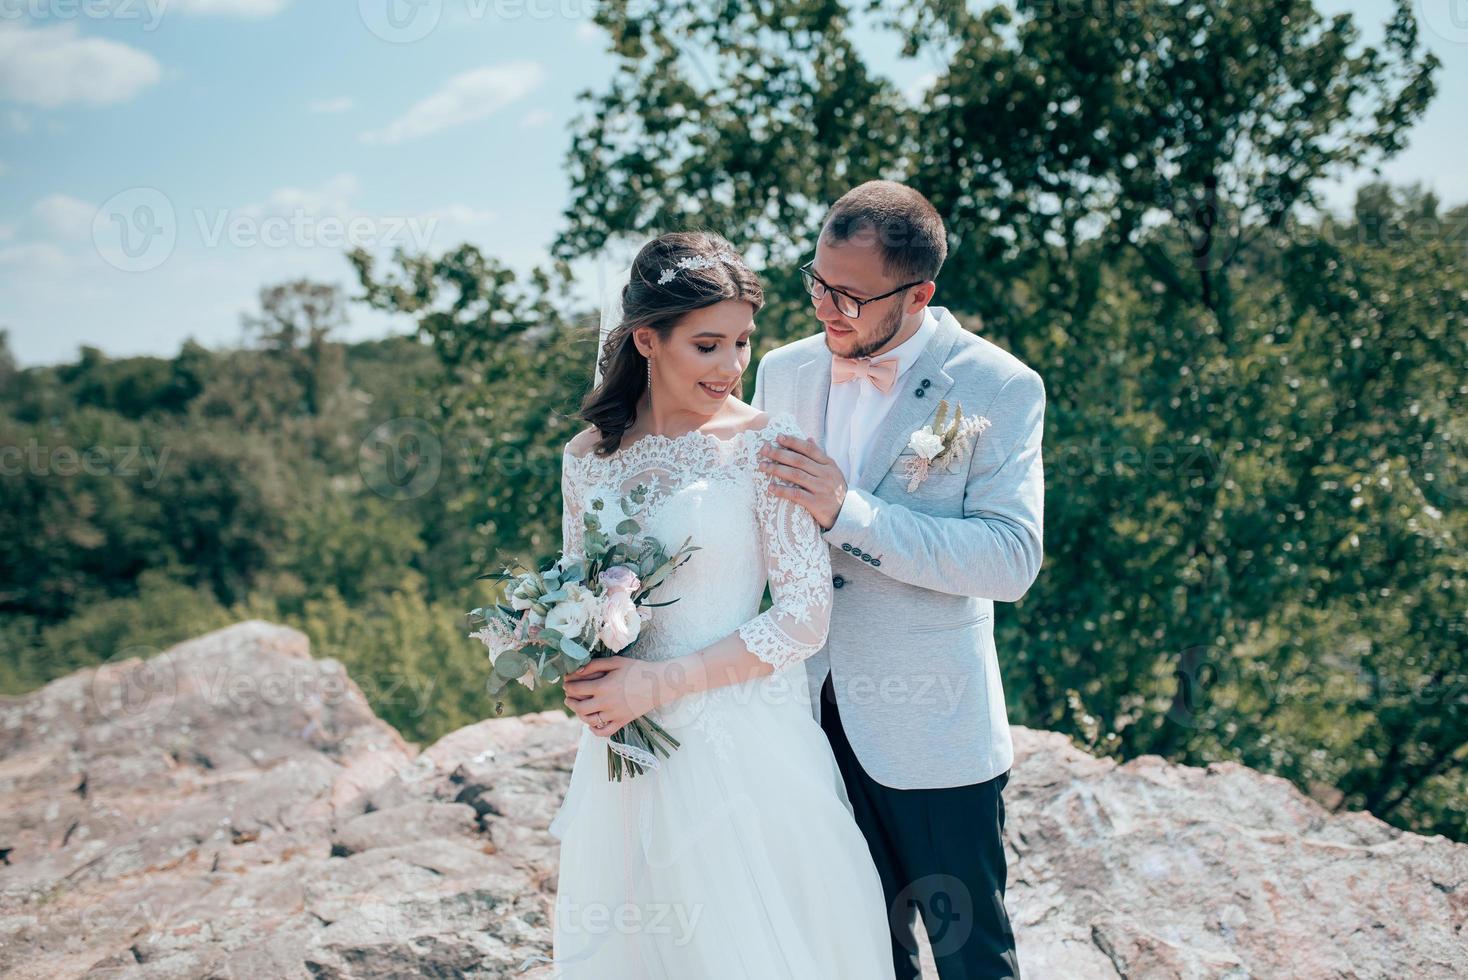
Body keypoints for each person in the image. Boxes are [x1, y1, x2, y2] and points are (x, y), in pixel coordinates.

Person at [550, 231, 897, 979]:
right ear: (647, 339)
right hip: (627, 751)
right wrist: (574, 661)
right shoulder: (587, 456)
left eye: (742, 342)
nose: (733, 366)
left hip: (744, 741)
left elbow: (804, 615)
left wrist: (660, 683)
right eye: (707, 345)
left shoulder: (767, 445)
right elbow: (576, 589)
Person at [750, 180, 1045, 979]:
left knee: (972, 958)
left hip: (934, 735)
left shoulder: (998, 386)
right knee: (857, 954)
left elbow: (1009, 560)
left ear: (920, 294)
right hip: (807, 718)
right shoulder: (782, 372)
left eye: (848, 295)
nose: (825, 310)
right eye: (816, 283)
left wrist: (850, 512)